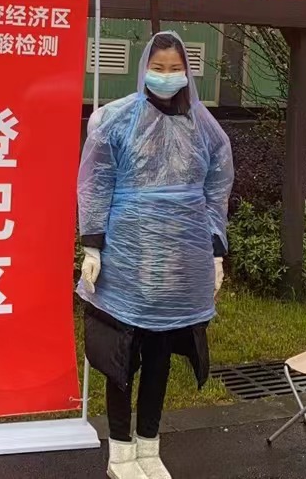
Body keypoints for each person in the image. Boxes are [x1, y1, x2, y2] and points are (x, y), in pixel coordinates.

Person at [77, 31, 234, 479]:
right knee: (121, 357)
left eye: (175, 69)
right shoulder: (117, 119)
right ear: (144, 68)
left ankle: (149, 446)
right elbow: (95, 183)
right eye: (158, 68)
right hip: (127, 258)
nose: (167, 76)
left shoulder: (203, 125)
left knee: (161, 353)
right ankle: (120, 453)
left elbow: (217, 188)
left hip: (179, 261)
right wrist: (93, 245)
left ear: (187, 72)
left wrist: (215, 250)